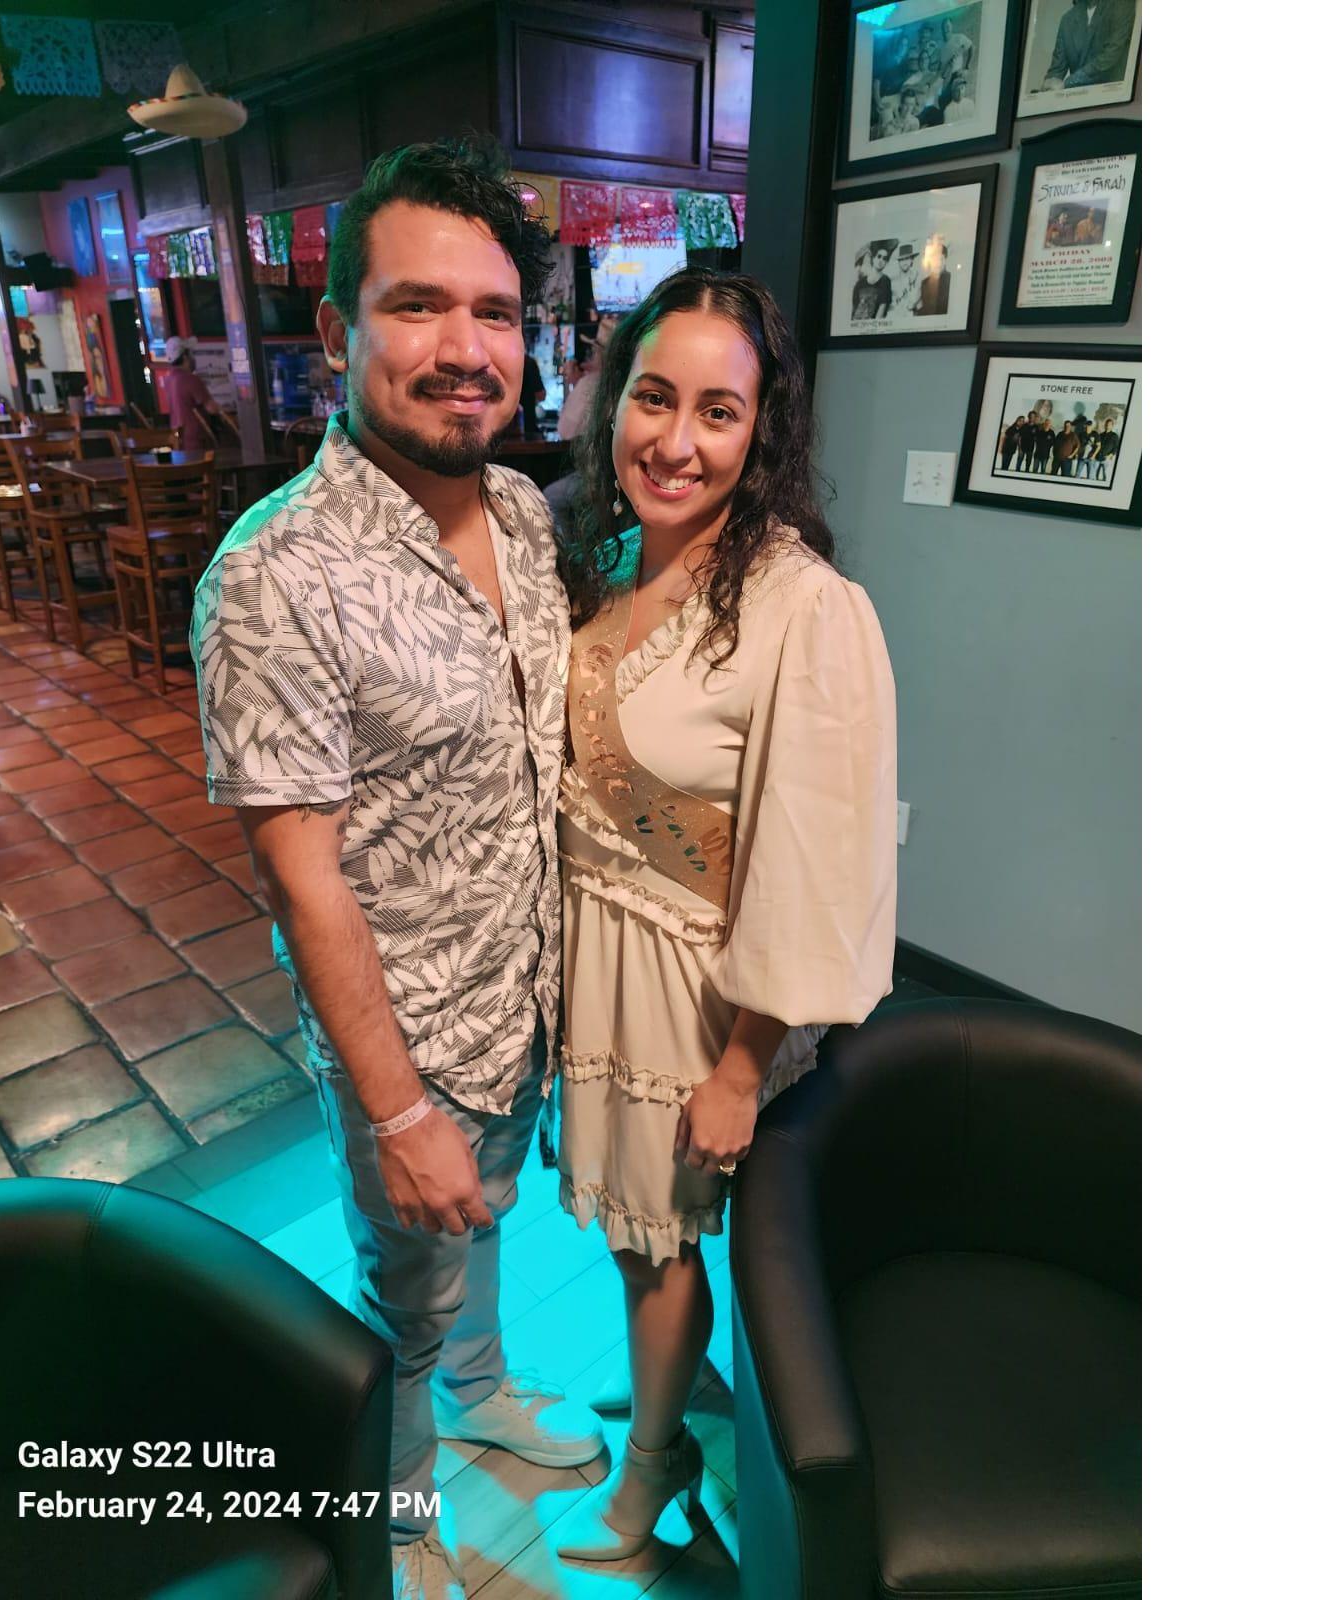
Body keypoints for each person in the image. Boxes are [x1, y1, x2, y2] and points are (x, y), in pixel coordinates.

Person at [191, 136, 602, 1600]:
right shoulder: (275, 573)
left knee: (482, 1243)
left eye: (496, 314)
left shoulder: (526, 516)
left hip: (525, 1004)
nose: (466, 351)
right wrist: (399, 1108)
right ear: (336, 331)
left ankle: (481, 1396)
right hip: (409, 1043)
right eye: (418, 306)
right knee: (402, 1290)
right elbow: (303, 881)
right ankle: (395, 1487)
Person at [549, 267, 897, 1562]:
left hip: (697, 995)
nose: (675, 442)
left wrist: (743, 1068)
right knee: (636, 1237)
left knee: (660, 1248)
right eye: (653, 398)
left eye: (718, 412)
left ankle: (654, 1473)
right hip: (600, 958)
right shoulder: (605, 561)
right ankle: (672, 1382)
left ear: (763, 433)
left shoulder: (806, 608)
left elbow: (817, 864)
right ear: (613, 404)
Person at [1040, 0, 1137, 93]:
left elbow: (1110, 56)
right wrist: (1049, 83)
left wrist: (1067, 83)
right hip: (1077, 99)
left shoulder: (1123, 4)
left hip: (1114, 97)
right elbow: (1056, 70)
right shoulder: (1067, 20)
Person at [155, 336, 224, 450]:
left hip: (178, 440)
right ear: (185, 357)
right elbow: (211, 408)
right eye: (191, 354)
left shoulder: (168, 380)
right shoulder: (191, 379)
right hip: (197, 441)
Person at [557, 314, 619, 440]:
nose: (592, 354)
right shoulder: (628, 384)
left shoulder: (590, 383)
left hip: (588, 452)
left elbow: (565, 430)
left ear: (600, 353)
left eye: (594, 350)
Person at [850, 242, 895, 321]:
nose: (881, 260)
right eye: (879, 256)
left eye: (884, 258)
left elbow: (882, 307)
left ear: (886, 263)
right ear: (873, 258)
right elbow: (854, 308)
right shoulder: (860, 283)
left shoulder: (885, 281)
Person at [916, 235, 951, 316]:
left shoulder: (951, 280)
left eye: (941, 259)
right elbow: (926, 309)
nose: (938, 263)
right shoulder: (924, 283)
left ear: (945, 260)